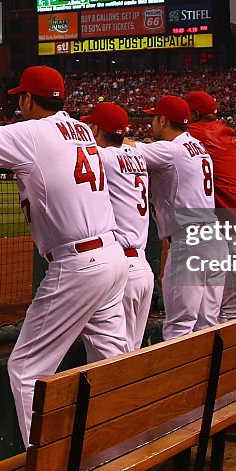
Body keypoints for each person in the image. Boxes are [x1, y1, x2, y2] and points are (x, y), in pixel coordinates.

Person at [0, 66, 128, 445]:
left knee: (26, 369)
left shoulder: (30, 132)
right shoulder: (79, 128)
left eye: (20, 98)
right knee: (114, 366)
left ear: (28, 99)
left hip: (78, 264)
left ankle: (45, 462)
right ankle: (118, 449)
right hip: (113, 257)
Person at [134, 95, 227, 340]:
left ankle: (179, 379)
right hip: (215, 240)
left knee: (179, 327)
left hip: (191, 242)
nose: (151, 124)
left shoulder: (170, 149)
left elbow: (123, 150)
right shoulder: (197, 146)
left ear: (163, 120)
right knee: (208, 325)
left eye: (153, 118)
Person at [184, 90, 236, 320]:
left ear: (195, 114)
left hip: (235, 231)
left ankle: (234, 356)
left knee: (226, 312)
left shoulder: (196, 132)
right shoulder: (220, 131)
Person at [82, 101, 154, 351]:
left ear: (96, 128)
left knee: (116, 357)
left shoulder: (105, 157)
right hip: (143, 269)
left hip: (124, 270)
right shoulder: (136, 155)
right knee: (130, 353)